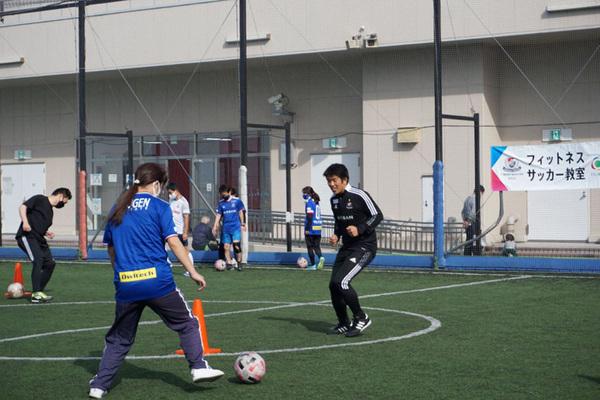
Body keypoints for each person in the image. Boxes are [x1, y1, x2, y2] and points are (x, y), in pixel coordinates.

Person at [88, 163, 223, 399]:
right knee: (187, 323)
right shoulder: (160, 206)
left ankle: (99, 385)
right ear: (158, 184)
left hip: (126, 283)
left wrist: (120, 274)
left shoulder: (117, 208)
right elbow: (173, 242)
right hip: (157, 282)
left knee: (119, 339)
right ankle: (199, 367)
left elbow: (111, 249)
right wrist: (193, 271)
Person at [324, 164, 383, 337]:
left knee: (342, 282)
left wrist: (361, 228)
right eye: (329, 181)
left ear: (344, 180)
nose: (331, 184)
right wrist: (336, 234)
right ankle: (343, 322)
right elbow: (339, 221)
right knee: (334, 285)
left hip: (365, 247)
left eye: (334, 180)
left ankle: (361, 317)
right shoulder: (334, 200)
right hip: (347, 247)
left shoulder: (359, 195)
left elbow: (378, 215)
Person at [15, 187, 72, 303]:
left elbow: (37, 223)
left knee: (50, 263)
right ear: (60, 196)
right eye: (65, 202)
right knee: (38, 260)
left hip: (39, 238)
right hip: (27, 236)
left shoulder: (50, 211)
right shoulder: (40, 199)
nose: (63, 205)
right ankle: (36, 294)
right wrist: (25, 222)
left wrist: (46, 232)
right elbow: (23, 207)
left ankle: (38, 291)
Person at [212, 185, 245, 271]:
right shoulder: (221, 203)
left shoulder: (237, 201)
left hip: (235, 227)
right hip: (226, 228)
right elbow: (218, 215)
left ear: (229, 192)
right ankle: (229, 263)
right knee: (226, 246)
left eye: (225, 194)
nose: (224, 196)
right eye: (222, 195)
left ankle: (239, 262)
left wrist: (243, 223)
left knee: (236, 246)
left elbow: (241, 212)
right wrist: (215, 226)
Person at [166, 182, 194, 265]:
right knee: (162, 244)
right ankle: (167, 262)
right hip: (171, 229)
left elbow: (186, 217)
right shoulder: (171, 200)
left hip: (180, 231)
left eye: (170, 192)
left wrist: (185, 232)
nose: (170, 195)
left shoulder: (183, 202)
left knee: (185, 250)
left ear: (176, 191)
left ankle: (190, 268)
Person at [302, 186, 325, 271]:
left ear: (308, 194)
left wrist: (307, 228)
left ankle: (313, 265)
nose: (303, 195)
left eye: (304, 193)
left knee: (310, 247)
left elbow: (310, 215)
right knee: (317, 246)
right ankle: (321, 257)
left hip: (311, 228)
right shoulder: (316, 202)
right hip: (318, 228)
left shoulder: (309, 202)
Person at [461, 185, 485, 256]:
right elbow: (473, 212)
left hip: (466, 221)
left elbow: (462, 212)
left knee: (468, 239)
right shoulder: (475, 199)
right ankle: (473, 255)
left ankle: (466, 255)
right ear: (480, 192)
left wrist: (464, 221)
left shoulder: (467, 199)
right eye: (482, 194)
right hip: (472, 222)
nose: (481, 196)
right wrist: (468, 221)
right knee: (473, 239)